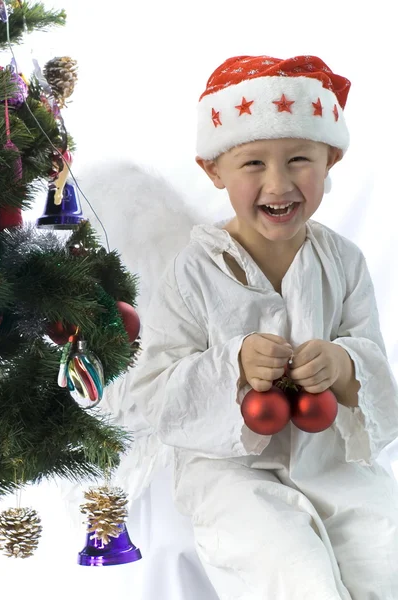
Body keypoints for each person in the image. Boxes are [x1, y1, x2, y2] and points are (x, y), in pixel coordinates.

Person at [129, 54, 398, 599]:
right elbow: (154, 390)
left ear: (331, 160)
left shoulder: (343, 261)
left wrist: (344, 364)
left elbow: (372, 360)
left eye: (300, 159)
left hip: (329, 460)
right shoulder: (194, 269)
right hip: (230, 471)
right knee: (291, 567)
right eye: (253, 164)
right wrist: (232, 363)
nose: (279, 183)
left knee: (383, 551)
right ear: (214, 170)